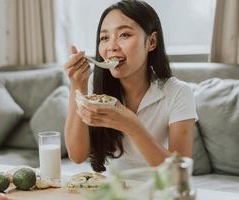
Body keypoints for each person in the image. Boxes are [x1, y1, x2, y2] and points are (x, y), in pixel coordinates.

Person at [63, 0, 198, 172]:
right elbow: (77, 155)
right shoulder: (95, 86)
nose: (111, 47)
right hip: (110, 192)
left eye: (124, 35)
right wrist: (77, 85)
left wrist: (131, 125)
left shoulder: (178, 92)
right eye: (104, 38)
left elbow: (180, 173)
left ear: (151, 42)